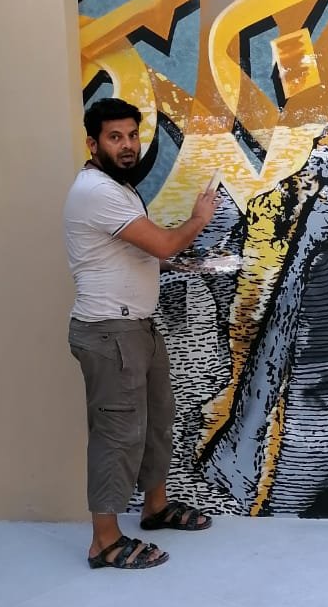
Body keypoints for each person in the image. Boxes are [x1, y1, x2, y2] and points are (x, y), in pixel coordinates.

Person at [63, 97, 218, 569]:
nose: (127, 145)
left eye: (132, 135)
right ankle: (105, 542)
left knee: (155, 422)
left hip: (136, 328)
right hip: (110, 333)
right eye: (115, 137)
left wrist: (176, 264)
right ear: (93, 144)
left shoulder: (121, 188)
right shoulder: (97, 191)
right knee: (116, 434)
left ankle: (155, 507)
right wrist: (199, 219)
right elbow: (164, 241)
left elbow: (136, 254)